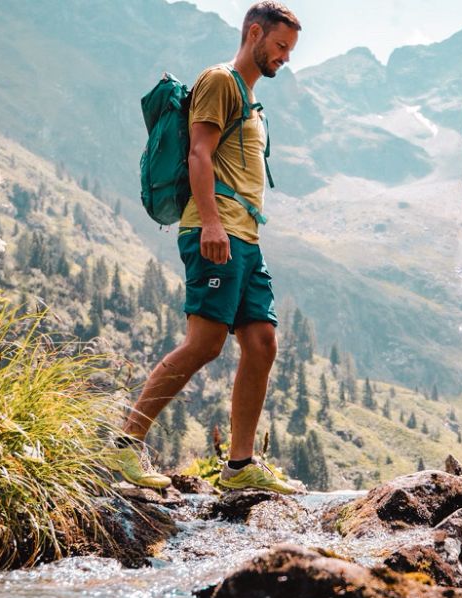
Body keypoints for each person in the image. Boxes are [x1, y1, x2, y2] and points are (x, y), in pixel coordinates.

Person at [112, 1, 303, 493]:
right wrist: (212, 225)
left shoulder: (251, 99)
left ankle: (239, 466)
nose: (285, 57)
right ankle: (124, 445)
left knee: (261, 343)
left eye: (289, 50)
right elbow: (199, 153)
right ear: (254, 33)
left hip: (246, 237)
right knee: (204, 343)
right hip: (215, 231)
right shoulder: (220, 82)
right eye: (280, 46)